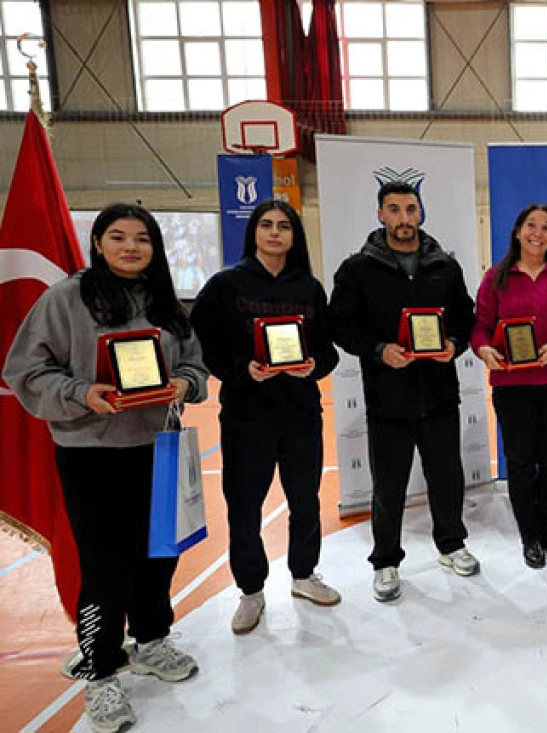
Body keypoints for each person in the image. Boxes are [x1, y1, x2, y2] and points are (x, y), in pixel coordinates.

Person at [4, 204, 209, 733]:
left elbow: (194, 363)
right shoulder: (65, 298)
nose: (131, 247)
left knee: (158, 555)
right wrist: (80, 393)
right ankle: (100, 672)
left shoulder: (164, 300)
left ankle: (152, 640)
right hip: (91, 453)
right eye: (118, 237)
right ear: (97, 242)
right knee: (103, 565)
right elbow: (24, 369)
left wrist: (185, 383)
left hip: (158, 446)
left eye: (142, 238)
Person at [190, 199, 341, 635]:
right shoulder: (225, 285)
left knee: (305, 499)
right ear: (253, 232)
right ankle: (251, 590)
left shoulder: (308, 288)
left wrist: (313, 367)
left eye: (284, 226)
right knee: (244, 505)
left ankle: (304, 575)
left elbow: (328, 350)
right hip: (246, 415)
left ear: (295, 236)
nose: (275, 233)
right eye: (267, 225)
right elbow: (204, 346)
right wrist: (243, 371)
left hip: (300, 413)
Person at [328, 181, 478, 602]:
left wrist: (454, 344)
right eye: (394, 209)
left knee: (446, 477)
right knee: (389, 486)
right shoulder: (357, 269)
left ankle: (451, 545)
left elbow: (465, 318)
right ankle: (386, 561)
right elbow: (340, 325)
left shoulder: (445, 266)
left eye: (411, 209)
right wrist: (379, 350)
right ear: (381, 215)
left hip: (440, 396)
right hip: (388, 399)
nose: (404, 218)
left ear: (420, 213)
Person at [471, 204, 547, 569]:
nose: (537, 233)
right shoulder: (495, 278)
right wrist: (484, 350)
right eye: (531, 225)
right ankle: (530, 536)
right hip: (513, 386)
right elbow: (479, 329)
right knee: (520, 463)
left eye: (546, 227)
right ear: (517, 231)